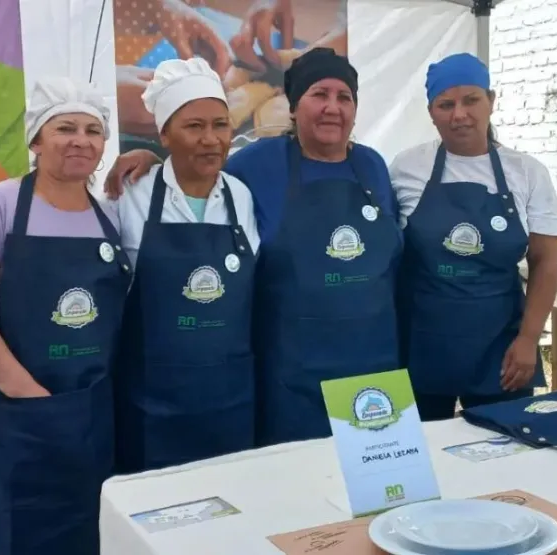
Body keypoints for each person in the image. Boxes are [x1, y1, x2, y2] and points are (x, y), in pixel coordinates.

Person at [104, 48, 402, 446]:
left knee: (382, 492)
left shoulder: (374, 166)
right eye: (319, 94)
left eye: (344, 97)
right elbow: (200, 169)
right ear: (295, 106)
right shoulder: (258, 163)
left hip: (374, 367)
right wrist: (154, 158)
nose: (333, 107)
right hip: (293, 373)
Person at [0, 78, 131, 555]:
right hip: (20, 418)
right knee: (19, 533)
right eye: (64, 127)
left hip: (91, 413)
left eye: (93, 130)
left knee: (89, 530)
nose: (80, 140)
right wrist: (30, 397)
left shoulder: (110, 214)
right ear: (35, 140)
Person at [391, 53, 557, 421]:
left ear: (491, 101)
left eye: (471, 100)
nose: (459, 114)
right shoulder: (406, 168)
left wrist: (529, 339)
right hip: (423, 342)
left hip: (502, 346)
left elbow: (545, 262)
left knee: (504, 453)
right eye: (446, 104)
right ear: (431, 111)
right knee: (423, 457)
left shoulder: (528, 172)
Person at [113, 58, 260, 473]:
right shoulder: (130, 194)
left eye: (220, 125)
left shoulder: (242, 197)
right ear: (164, 134)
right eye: (194, 126)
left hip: (230, 400)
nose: (210, 139)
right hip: (152, 403)